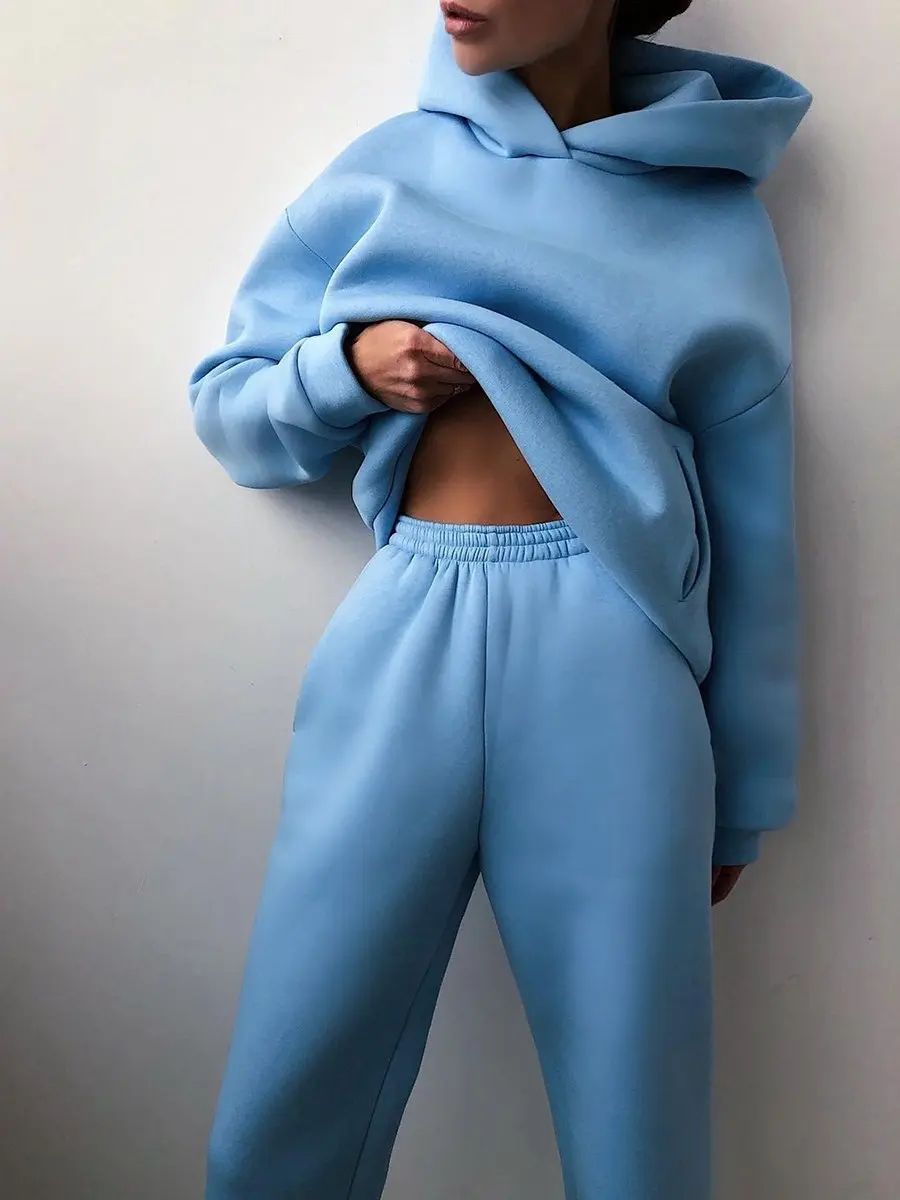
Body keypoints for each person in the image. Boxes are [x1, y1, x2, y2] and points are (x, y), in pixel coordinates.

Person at [188, 1, 812, 1196]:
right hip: (403, 633)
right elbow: (231, 409)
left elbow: (757, 520)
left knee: (637, 1121)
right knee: (286, 1093)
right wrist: (345, 367)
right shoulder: (382, 174)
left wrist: (745, 796)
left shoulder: (712, 214)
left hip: (618, 659)